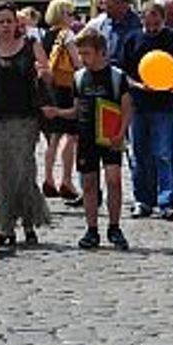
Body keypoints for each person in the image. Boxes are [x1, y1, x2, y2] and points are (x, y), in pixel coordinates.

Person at [0, 2, 53, 246]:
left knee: (23, 172)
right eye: (1, 22)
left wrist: (44, 74)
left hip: (24, 118)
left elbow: (48, 74)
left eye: (9, 21)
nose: (6, 26)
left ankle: (28, 223)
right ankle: (3, 225)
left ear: (17, 23)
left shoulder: (31, 46)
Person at [49, 29, 131, 251]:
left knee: (114, 180)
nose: (83, 58)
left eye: (87, 53)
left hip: (110, 137)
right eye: (81, 53)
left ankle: (114, 226)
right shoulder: (79, 78)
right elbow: (76, 110)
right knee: (88, 183)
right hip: (86, 138)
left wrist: (121, 133)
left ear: (101, 52)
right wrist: (57, 112)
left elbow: (127, 109)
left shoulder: (117, 77)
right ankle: (91, 228)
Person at [120, 0, 173, 219]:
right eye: (148, 23)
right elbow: (124, 72)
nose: (152, 28)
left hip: (166, 104)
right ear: (141, 19)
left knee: (165, 154)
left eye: (156, 23)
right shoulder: (132, 39)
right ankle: (143, 200)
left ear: (163, 19)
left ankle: (168, 202)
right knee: (139, 155)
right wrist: (138, 85)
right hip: (139, 104)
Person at [39, 0, 82, 201]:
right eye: (70, 13)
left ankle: (48, 178)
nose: (72, 17)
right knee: (71, 135)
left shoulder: (45, 36)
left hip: (49, 88)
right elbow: (77, 62)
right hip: (66, 87)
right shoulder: (67, 34)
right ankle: (66, 180)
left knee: (53, 137)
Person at [86, 0, 142, 66]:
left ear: (122, 5)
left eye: (109, 7)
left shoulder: (137, 25)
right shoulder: (104, 23)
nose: (105, 10)